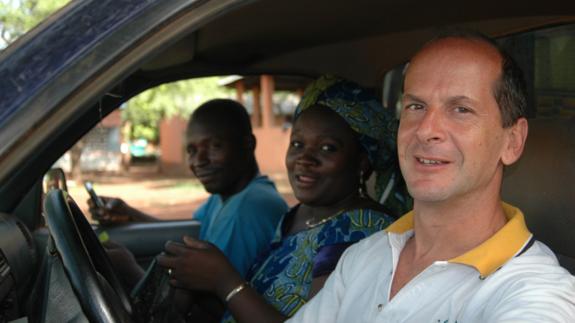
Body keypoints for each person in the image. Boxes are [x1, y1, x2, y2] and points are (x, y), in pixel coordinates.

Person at [285, 32, 575, 322]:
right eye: (416, 106)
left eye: (461, 109)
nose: (425, 130)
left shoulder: (534, 292)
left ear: (512, 142)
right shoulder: (366, 255)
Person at [156, 75, 401, 322]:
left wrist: (224, 281)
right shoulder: (297, 215)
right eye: (297, 144)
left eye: (327, 148)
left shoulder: (361, 230)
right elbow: (253, 306)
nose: (304, 159)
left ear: (362, 161)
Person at [93, 99, 288, 286]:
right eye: (192, 151)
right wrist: (129, 213)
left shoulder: (249, 209)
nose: (199, 161)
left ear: (248, 145)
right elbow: (189, 235)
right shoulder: (227, 196)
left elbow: (217, 305)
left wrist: (128, 269)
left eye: (214, 146)